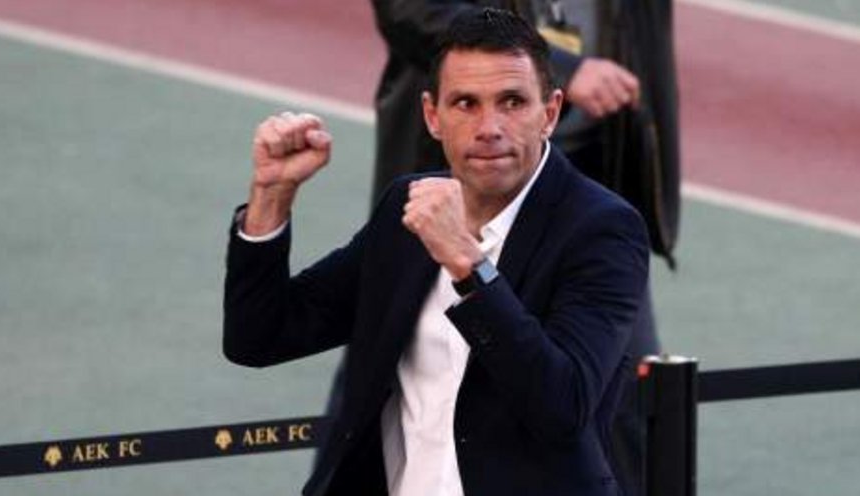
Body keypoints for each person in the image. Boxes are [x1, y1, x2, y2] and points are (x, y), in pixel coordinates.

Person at [224, 8, 652, 496]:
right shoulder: (407, 209)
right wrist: (271, 197)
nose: (489, 127)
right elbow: (258, 337)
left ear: (549, 114)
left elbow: (562, 406)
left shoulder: (602, 229)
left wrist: (468, 266)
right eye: (466, 103)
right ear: (433, 116)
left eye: (512, 102)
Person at [369, 0, 680, 267]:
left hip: (600, 161)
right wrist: (560, 69)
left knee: (603, 308)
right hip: (467, 176)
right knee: (437, 303)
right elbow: (408, 9)